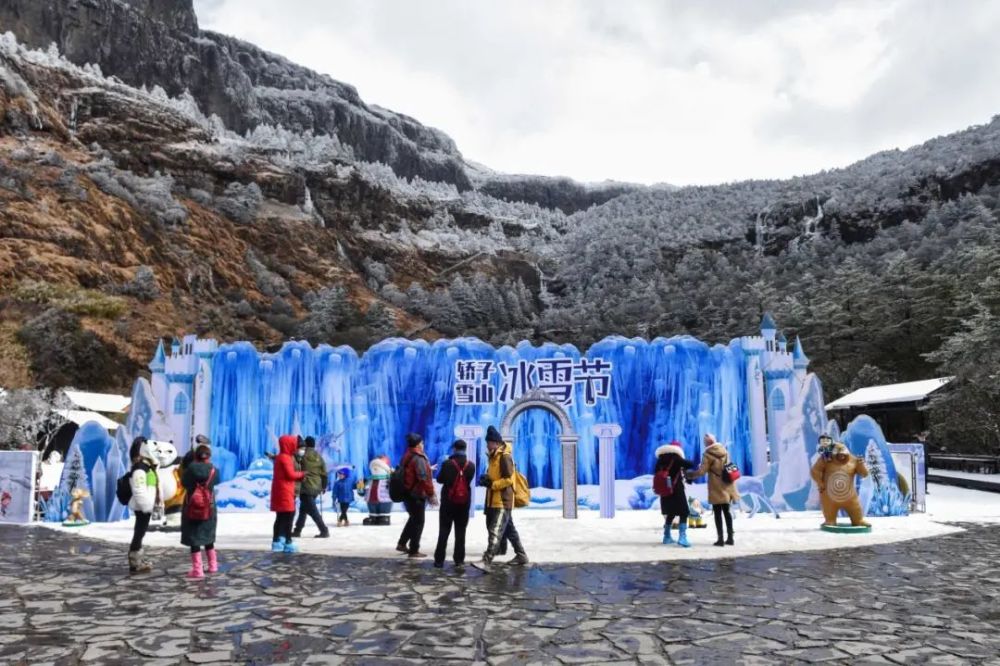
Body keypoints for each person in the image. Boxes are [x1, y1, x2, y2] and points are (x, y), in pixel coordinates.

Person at [480, 426, 528, 568]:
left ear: (496, 443)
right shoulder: (493, 456)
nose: (487, 445)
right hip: (493, 500)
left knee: (495, 530)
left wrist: (492, 484)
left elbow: (508, 479)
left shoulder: (504, 457)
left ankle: (486, 561)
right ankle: (521, 555)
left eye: (488, 443)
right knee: (509, 530)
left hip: (502, 500)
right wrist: (486, 480)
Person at [687, 434, 741, 546]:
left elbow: (702, 471)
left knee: (717, 513)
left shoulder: (707, 454)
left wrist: (690, 475)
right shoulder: (724, 451)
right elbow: (728, 466)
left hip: (716, 486)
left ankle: (720, 539)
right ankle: (730, 538)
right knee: (727, 512)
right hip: (727, 484)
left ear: (707, 443)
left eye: (704, 442)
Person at [433, 439, 475, 568]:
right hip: (464, 503)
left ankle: (439, 560)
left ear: (455, 449)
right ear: (465, 449)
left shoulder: (448, 464)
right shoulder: (471, 465)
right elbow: (468, 480)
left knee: (444, 530)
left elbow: (439, 480)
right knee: (461, 532)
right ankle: (459, 559)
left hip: (448, 502)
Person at [180, 441, 220, 578]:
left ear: (196, 456)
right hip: (209, 506)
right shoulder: (214, 470)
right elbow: (217, 481)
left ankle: (198, 569)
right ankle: (213, 565)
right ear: (208, 456)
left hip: (193, 505)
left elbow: (183, 483)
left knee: (194, 537)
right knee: (208, 536)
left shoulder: (190, 469)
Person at [396, 433, 437, 558]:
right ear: (419, 444)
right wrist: (431, 494)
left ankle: (402, 543)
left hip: (407, 493)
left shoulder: (407, 456)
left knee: (413, 519)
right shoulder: (419, 458)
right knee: (419, 521)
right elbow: (423, 478)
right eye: (422, 443)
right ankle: (414, 549)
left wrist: (428, 468)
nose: (423, 445)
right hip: (416, 494)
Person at [127, 437, 160, 574]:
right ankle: (135, 562)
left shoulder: (146, 467)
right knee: (139, 532)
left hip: (146, 505)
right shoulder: (140, 469)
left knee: (140, 532)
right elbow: (139, 490)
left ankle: (138, 559)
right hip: (143, 507)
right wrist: (147, 506)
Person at [654, 441, 695, 547]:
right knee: (684, 512)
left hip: (664, 490)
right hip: (676, 490)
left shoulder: (660, 459)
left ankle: (666, 536)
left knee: (670, 513)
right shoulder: (676, 458)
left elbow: (656, 473)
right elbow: (689, 464)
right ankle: (682, 537)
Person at [271, 434, 305, 553]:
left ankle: (277, 540)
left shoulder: (281, 457)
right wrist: (302, 474)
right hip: (285, 490)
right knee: (289, 515)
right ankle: (287, 541)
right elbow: (290, 475)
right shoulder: (286, 458)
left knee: (280, 517)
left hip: (281, 490)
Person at [292, 436, 330, 538]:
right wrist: (324, 486)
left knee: (313, 511)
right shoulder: (319, 456)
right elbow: (324, 473)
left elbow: (294, 461)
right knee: (303, 509)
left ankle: (324, 530)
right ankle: (297, 530)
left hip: (306, 486)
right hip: (317, 487)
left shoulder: (302, 455)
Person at [359, 455, 393, 525]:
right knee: (372, 508)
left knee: (384, 508)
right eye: (373, 468)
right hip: (371, 500)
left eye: (378, 467)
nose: (375, 469)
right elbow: (361, 492)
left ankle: (384, 517)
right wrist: (360, 486)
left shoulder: (389, 480)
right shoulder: (368, 480)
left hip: (385, 500)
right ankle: (373, 517)